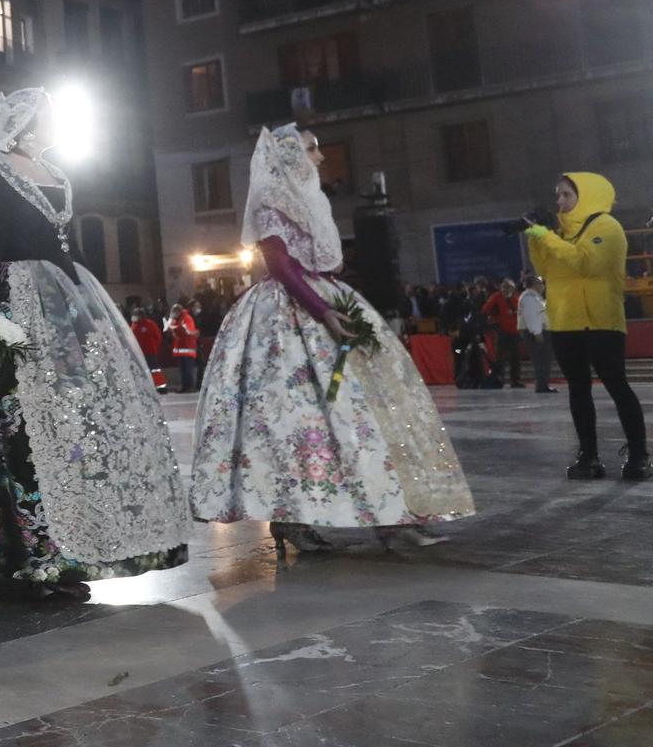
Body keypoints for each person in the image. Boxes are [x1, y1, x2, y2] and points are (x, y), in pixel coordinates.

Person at [0, 89, 188, 599]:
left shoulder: (58, 175)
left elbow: (68, 247)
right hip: (10, 298)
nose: (59, 123)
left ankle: (71, 548)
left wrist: (87, 311)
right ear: (28, 122)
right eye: (52, 115)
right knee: (10, 428)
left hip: (60, 299)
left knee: (67, 426)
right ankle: (21, 554)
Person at [190, 127, 475, 557]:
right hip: (289, 318)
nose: (321, 158)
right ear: (288, 158)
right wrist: (323, 312)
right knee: (299, 424)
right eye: (311, 149)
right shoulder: (273, 204)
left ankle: (392, 515)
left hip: (329, 298)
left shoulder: (314, 200)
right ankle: (303, 517)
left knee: (367, 414)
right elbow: (282, 267)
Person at [526, 173, 648, 480]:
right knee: (578, 390)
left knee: (617, 386)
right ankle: (588, 456)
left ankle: (639, 455)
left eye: (566, 195)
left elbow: (586, 263)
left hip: (601, 322)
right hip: (565, 321)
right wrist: (535, 237)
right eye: (558, 196)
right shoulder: (562, 233)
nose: (559, 202)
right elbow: (545, 269)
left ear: (587, 195)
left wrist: (546, 236)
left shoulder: (607, 227)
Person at [482, 278, 524, 389]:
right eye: (504, 287)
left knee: (515, 357)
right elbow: (485, 309)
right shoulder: (496, 298)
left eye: (509, 287)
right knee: (500, 357)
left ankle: (515, 380)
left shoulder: (516, 298)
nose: (506, 289)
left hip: (515, 331)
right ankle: (499, 379)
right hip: (502, 332)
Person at [519, 275, 556, 393]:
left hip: (540, 330)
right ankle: (541, 385)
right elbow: (532, 316)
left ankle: (543, 384)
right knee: (540, 359)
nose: (543, 286)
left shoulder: (536, 297)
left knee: (544, 359)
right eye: (540, 283)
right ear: (534, 285)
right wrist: (537, 332)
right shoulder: (529, 297)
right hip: (536, 332)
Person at [165, 302, 200, 393]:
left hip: (188, 348)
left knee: (188, 370)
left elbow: (188, 332)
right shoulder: (176, 319)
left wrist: (175, 328)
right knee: (183, 370)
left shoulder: (186, 318)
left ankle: (190, 387)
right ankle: (184, 386)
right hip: (181, 349)